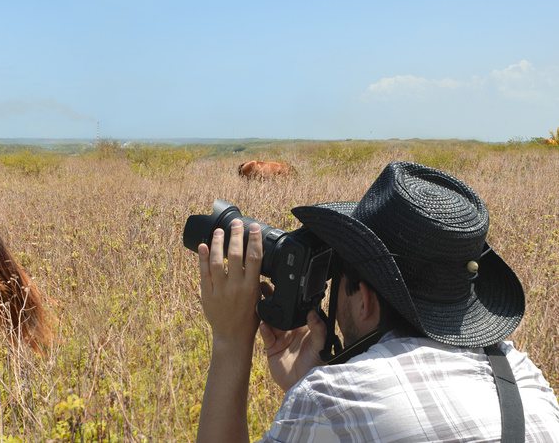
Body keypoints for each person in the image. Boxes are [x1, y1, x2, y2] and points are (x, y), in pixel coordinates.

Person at [194, 161, 559, 442]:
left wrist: (230, 341)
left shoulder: (329, 400)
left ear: (364, 299)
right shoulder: (524, 376)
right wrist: (307, 380)